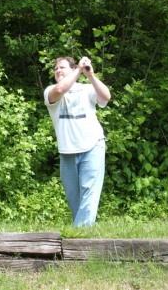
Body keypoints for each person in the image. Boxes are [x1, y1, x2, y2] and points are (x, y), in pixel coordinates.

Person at [44, 56, 111, 226]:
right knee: (75, 199)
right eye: (56, 68)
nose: (58, 70)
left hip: (92, 145)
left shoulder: (86, 88)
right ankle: (83, 236)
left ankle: (78, 235)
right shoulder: (51, 90)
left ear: (72, 68)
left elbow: (106, 97)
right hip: (67, 151)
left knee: (89, 193)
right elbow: (59, 91)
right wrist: (78, 70)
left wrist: (90, 75)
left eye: (62, 67)